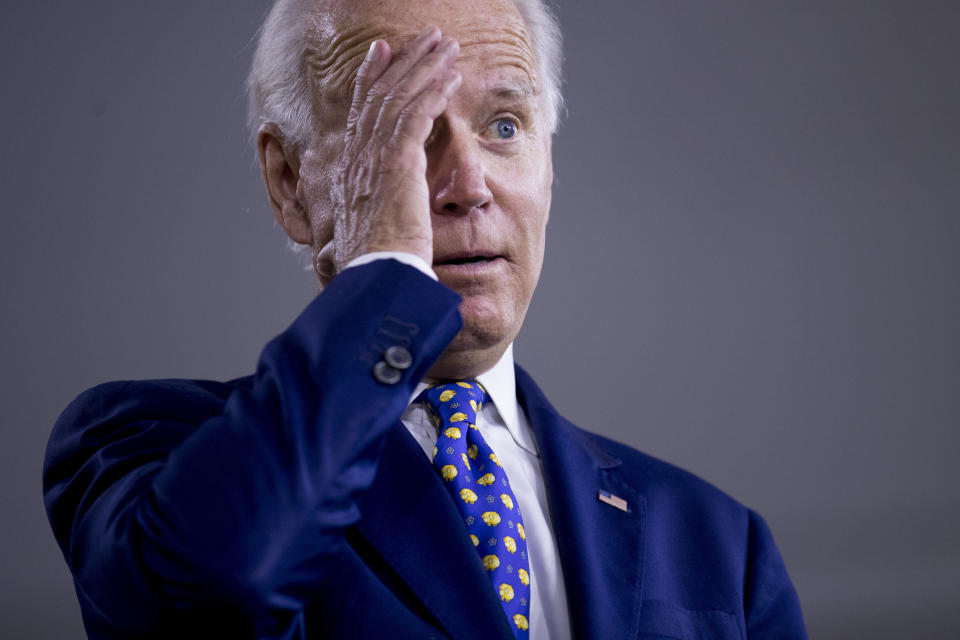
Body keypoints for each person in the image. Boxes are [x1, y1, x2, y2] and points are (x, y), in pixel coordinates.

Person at [43, 0, 807, 638]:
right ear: (288, 182)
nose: (468, 184)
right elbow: (215, 588)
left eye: (505, 126)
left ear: (549, 162)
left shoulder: (718, 542)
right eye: (405, 130)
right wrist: (387, 268)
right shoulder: (145, 448)